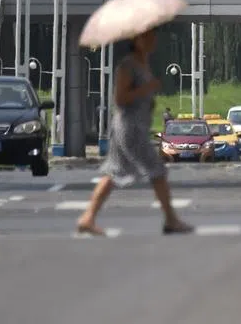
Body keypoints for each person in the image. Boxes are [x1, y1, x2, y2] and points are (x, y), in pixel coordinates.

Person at [77, 28, 193, 236]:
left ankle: (88, 217)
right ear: (137, 40)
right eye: (148, 37)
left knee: (113, 172)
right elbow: (120, 99)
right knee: (157, 171)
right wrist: (147, 88)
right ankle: (171, 220)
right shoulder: (128, 65)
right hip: (130, 129)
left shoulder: (142, 64)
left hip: (134, 126)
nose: (153, 41)